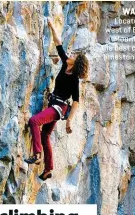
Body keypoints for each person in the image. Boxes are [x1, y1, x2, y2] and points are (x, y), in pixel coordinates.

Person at [24, 17, 89, 181]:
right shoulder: (65, 63)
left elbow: (76, 101)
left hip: (59, 108)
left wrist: (69, 121)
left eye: (75, 56)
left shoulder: (74, 78)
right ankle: (48, 169)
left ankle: (37, 154)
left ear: (76, 63)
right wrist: (52, 25)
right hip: (53, 103)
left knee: (34, 121)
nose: (71, 54)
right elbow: (58, 42)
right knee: (45, 136)